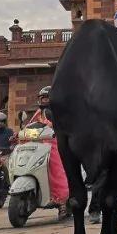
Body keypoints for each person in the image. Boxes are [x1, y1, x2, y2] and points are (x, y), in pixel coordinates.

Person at [28, 86, 69, 218]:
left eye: (47, 98)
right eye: (43, 98)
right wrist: (18, 134)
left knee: (56, 169)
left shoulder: (59, 112)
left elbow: (63, 128)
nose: (45, 101)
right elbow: (29, 127)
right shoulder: (37, 114)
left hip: (55, 145)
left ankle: (62, 202)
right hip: (37, 145)